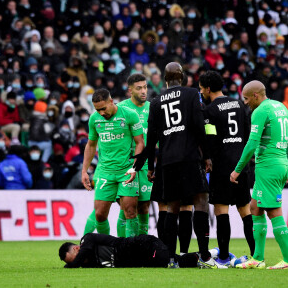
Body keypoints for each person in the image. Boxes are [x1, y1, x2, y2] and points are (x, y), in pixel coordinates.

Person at [145, 62, 222, 268]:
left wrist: (151, 166)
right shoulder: (190, 95)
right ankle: (205, 256)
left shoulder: (156, 101)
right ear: (183, 77)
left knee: (172, 207)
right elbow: (199, 126)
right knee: (201, 200)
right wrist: (206, 156)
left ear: (165, 78)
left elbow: (151, 136)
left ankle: (171, 258)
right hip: (188, 157)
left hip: (167, 160)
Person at [230, 80, 288, 270]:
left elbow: (252, 144)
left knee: (273, 211)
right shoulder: (279, 106)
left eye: (246, 98)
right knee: (255, 207)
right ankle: (258, 258)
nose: (245, 102)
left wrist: (237, 169)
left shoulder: (260, 111)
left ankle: (287, 259)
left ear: (256, 95)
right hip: (280, 162)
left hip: (268, 165)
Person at [199, 71, 255, 266]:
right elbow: (248, 133)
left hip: (222, 166)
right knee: (245, 211)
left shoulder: (210, 111)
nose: (201, 92)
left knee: (222, 211)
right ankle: (256, 255)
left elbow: (211, 140)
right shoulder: (240, 104)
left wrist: (208, 159)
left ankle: (223, 257)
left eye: (201, 89)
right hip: (241, 165)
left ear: (207, 89)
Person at [81, 88, 144, 237]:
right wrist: (84, 170)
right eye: (98, 110)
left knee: (129, 211)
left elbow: (140, 143)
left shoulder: (129, 115)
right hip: (105, 171)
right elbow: (90, 145)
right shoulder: (94, 119)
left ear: (111, 101)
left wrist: (135, 168)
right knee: (100, 215)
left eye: (103, 108)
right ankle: (108, 250)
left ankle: (130, 250)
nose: (101, 113)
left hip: (127, 170)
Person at [116, 73, 152, 236]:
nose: (143, 91)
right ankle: (122, 247)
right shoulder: (121, 108)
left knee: (144, 206)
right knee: (127, 207)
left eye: (145, 87)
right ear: (130, 90)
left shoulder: (152, 108)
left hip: (145, 165)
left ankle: (142, 244)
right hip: (126, 164)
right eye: (139, 88)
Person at [59, 233, 202, 268]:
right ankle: (209, 255)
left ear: (77, 248)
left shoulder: (87, 240)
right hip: (143, 259)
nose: (78, 262)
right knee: (176, 261)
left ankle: (206, 257)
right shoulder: (87, 264)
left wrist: (71, 266)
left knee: (169, 262)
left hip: (144, 245)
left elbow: (83, 253)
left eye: (74, 259)